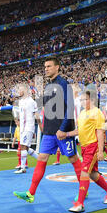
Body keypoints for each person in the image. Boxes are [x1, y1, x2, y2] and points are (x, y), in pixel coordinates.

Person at [13, 57, 82, 203]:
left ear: (57, 67)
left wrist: (63, 129)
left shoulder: (64, 84)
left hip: (63, 132)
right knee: (42, 159)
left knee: (73, 159)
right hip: (49, 132)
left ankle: (84, 189)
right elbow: (45, 107)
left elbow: (69, 108)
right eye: (45, 67)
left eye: (49, 66)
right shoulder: (47, 86)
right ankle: (30, 193)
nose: (46, 69)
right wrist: (43, 126)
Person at [67, 91, 107, 213]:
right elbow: (80, 131)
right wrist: (66, 134)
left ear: (92, 100)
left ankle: (80, 203)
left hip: (92, 147)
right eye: (81, 100)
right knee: (92, 173)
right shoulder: (82, 113)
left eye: (85, 99)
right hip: (84, 147)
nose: (83, 102)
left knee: (84, 173)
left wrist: (100, 151)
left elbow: (100, 132)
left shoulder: (97, 113)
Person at [14, 83, 41, 174]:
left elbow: (36, 115)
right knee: (27, 148)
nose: (18, 92)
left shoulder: (32, 102)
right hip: (22, 128)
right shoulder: (20, 102)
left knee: (23, 146)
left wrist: (40, 126)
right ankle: (41, 160)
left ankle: (23, 167)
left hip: (28, 127)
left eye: (20, 89)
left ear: (25, 90)